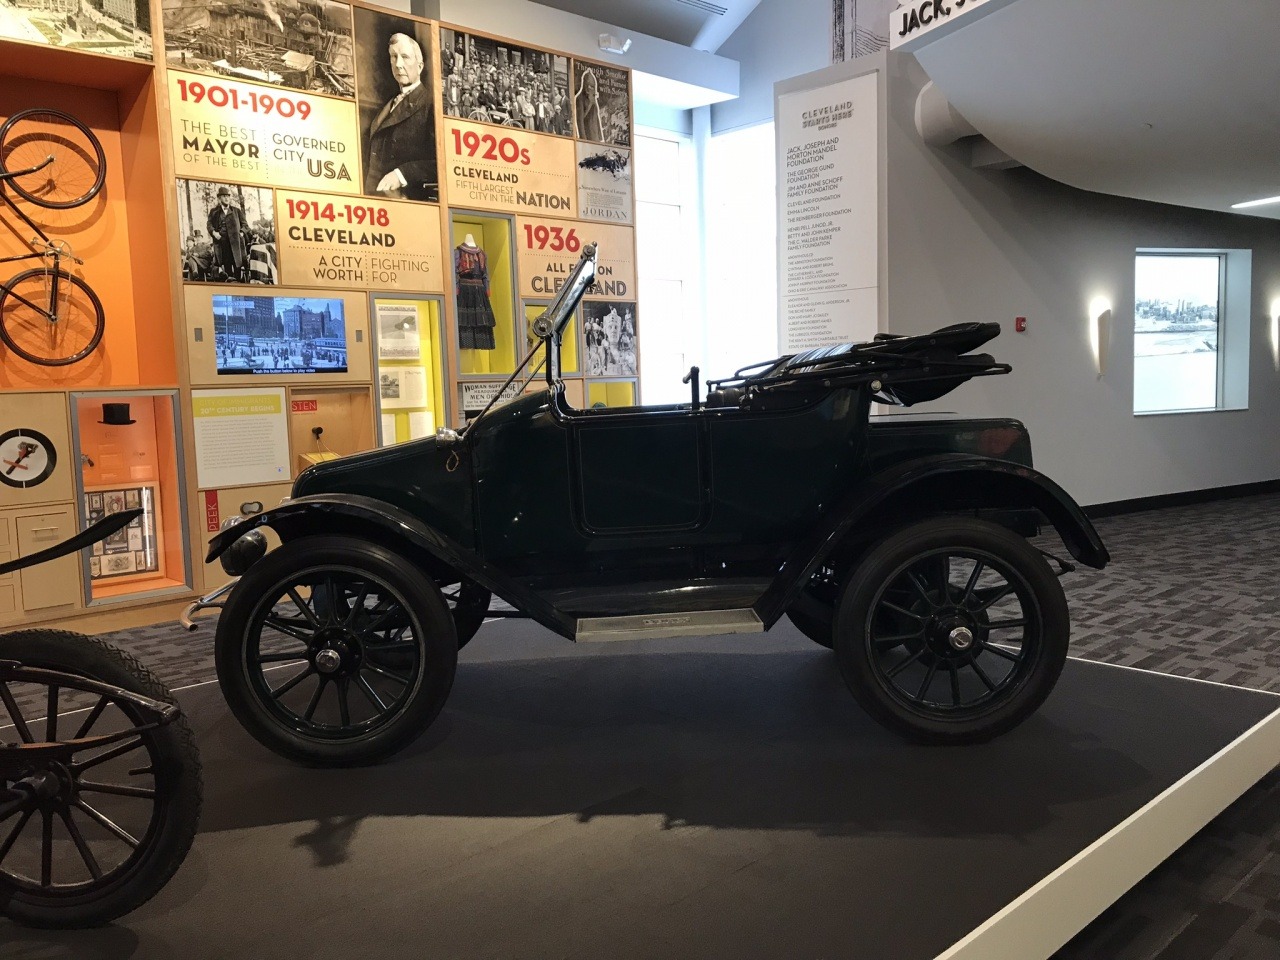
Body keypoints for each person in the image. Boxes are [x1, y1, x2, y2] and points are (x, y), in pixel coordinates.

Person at [364, 33, 437, 202]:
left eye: (405, 57)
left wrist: (401, 174)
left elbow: (442, 162)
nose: (398, 64)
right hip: (374, 199)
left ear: (420, 66)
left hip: (407, 201)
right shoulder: (389, 103)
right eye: (394, 56)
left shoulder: (431, 104)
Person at [207, 187, 249, 282]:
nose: (226, 198)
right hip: (222, 243)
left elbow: (245, 226)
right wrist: (214, 233)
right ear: (219, 198)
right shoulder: (214, 212)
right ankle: (229, 284)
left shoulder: (236, 211)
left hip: (235, 243)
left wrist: (241, 233)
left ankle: (238, 282)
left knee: (237, 265)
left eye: (228, 196)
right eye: (224, 196)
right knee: (226, 266)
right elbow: (209, 225)